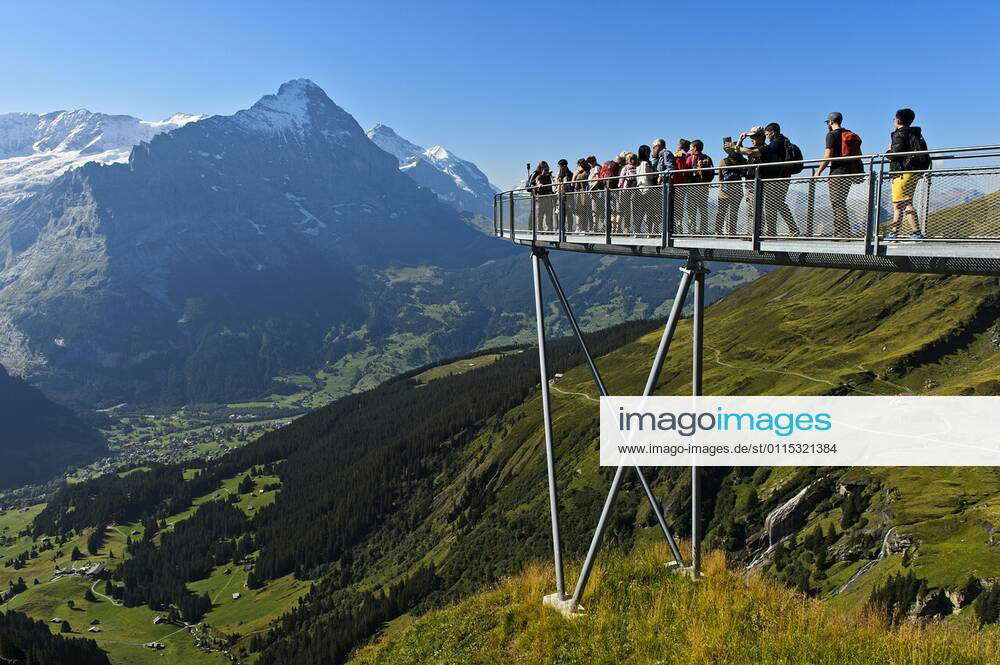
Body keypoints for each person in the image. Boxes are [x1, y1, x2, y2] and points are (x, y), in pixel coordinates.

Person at [735, 124, 800, 236]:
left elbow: (752, 152)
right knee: (773, 204)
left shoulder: (775, 144)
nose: (752, 139)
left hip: (776, 179)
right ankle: (771, 231)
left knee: (774, 204)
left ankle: (774, 231)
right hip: (776, 178)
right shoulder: (779, 143)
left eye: (766, 134)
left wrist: (737, 147)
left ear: (772, 133)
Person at [815, 112, 864, 237]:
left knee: (837, 202)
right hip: (850, 172)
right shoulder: (848, 133)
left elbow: (827, 156)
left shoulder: (831, 135)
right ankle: (839, 232)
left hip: (837, 173)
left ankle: (843, 233)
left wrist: (819, 171)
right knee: (840, 202)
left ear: (830, 122)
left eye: (827, 122)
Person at [885, 108, 930, 239]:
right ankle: (895, 232)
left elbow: (895, 155)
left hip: (902, 172)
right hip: (913, 171)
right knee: (901, 203)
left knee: (903, 203)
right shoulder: (914, 133)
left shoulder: (900, 134)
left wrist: (888, 151)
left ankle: (915, 232)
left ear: (898, 120)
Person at [716, 137, 748, 235]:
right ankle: (732, 231)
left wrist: (720, 186)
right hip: (737, 190)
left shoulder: (723, 161)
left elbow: (720, 176)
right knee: (734, 213)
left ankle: (718, 231)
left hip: (724, 191)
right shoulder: (743, 161)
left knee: (721, 211)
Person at [685, 140, 714, 233]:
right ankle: (703, 230)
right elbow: (712, 173)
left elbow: (686, 173)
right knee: (703, 210)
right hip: (703, 187)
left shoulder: (689, 158)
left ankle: (691, 230)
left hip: (692, 188)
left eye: (691, 148)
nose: (689, 150)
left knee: (691, 210)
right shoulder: (707, 158)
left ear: (695, 148)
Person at [636, 144, 656, 233]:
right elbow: (649, 176)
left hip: (640, 189)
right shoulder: (646, 163)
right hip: (647, 188)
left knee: (640, 212)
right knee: (649, 212)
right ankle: (649, 231)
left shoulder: (639, 164)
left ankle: (637, 230)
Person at [672, 139, 692, 231]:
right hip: (682, 183)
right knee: (680, 204)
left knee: (675, 205)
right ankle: (679, 224)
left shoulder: (675, 154)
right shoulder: (686, 155)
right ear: (687, 147)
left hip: (674, 182)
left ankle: (676, 224)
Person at [617, 152, 639, 233]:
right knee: (630, 209)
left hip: (628, 189)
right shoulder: (635, 168)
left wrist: (620, 186)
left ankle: (627, 228)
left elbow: (621, 178)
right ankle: (629, 228)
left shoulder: (626, 168)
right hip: (631, 190)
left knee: (627, 209)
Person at [532, 161, 554, 231]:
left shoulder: (548, 177)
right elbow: (537, 182)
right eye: (545, 170)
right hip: (540, 198)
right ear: (542, 169)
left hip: (548, 198)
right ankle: (540, 229)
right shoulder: (539, 177)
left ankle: (549, 229)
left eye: (547, 170)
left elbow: (551, 187)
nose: (546, 171)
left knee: (549, 215)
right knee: (540, 215)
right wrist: (539, 185)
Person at [572, 158, 591, 231]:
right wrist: (576, 173)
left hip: (584, 192)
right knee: (579, 211)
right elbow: (572, 183)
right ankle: (579, 227)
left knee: (585, 211)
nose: (580, 166)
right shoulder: (578, 172)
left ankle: (584, 228)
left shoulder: (587, 171)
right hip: (578, 192)